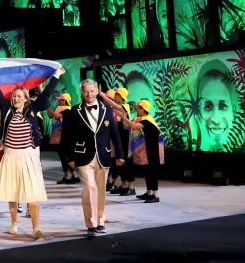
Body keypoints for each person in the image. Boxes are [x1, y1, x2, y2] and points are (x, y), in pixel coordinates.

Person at [0, 59, 62, 239]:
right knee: (13, 192)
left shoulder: (33, 108)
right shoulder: (6, 109)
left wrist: (57, 75)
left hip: (28, 156)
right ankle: (14, 223)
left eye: (20, 96)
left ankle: (35, 227)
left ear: (26, 98)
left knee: (32, 192)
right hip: (10, 156)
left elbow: (48, 92)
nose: (16, 98)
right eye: (14, 96)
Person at [62, 79, 125, 236]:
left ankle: (100, 220)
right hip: (83, 156)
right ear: (82, 93)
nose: (89, 94)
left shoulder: (107, 109)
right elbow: (67, 136)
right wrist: (70, 157)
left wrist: (120, 153)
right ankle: (91, 223)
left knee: (101, 190)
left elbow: (114, 133)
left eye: (91, 91)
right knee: (89, 188)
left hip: (103, 154)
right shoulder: (74, 111)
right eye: (85, 91)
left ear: (97, 91)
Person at [117, 99, 163, 203]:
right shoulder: (140, 118)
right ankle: (149, 193)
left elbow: (134, 126)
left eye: (138, 108)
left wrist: (123, 117)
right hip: (146, 149)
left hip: (153, 149)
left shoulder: (147, 119)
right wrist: (124, 116)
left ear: (143, 109)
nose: (136, 109)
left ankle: (155, 195)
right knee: (147, 171)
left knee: (152, 172)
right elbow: (127, 126)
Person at [46, 93, 76, 184]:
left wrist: (47, 108)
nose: (59, 101)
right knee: (66, 155)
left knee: (64, 156)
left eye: (61, 99)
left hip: (62, 136)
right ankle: (73, 175)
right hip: (62, 136)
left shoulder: (65, 109)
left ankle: (68, 175)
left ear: (65, 101)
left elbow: (54, 116)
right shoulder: (68, 109)